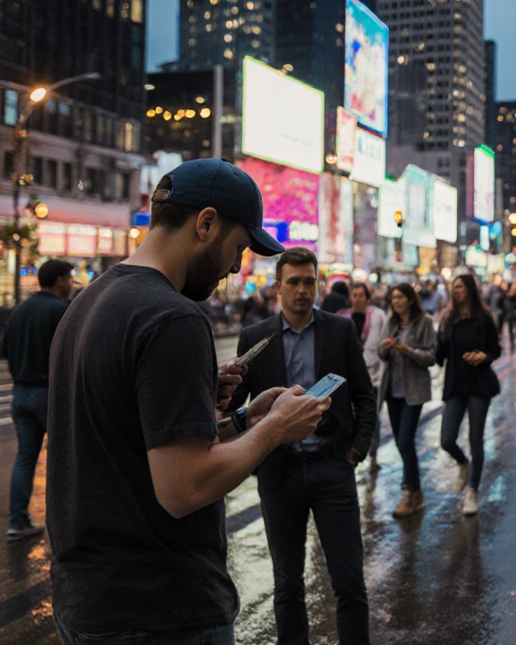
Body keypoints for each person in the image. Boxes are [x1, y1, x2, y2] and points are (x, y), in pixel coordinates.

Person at [46, 159, 329, 645]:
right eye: (238, 247)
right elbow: (183, 488)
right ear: (206, 223)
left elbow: (129, 439)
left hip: (87, 600)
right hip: (160, 609)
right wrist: (276, 428)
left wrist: (241, 417)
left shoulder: (88, 302)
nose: (236, 266)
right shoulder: (172, 317)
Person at [227, 247, 376, 645]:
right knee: (287, 584)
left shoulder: (339, 331)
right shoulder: (255, 337)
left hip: (332, 467)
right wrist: (256, 459)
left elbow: (364, 394)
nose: (302, 290)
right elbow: (235, 408)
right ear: (277, 287)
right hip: (281, 473)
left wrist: (356, 450)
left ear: (318, 284)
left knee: (349, 582)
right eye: (293, 282)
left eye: (309, 281)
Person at [3, 259, 73, 542]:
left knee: (25, 458)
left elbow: (5, 350)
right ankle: (66, 527)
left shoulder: (19, 311)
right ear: (58, 281)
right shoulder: (60, 311)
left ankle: (17, 523)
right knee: (65, 459)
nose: (71, 284)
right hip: (50, 393)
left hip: (21, 393)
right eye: (69, 278)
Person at [436, 274, 502, 516]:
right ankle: (463, 464)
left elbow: (495, 349)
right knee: (447, 439)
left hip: (478, 383)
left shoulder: (484, 319)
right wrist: (441, 331)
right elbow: (439, 357)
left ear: (471, 290)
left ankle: (473, 490)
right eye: (454, 287)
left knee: (476, 439)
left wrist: (483, 356)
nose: (456, 291)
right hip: (455, 383)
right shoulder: (449, 318)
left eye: (460, 286)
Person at [377, 283, 436, 517]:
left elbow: (431, 357)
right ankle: (416, 491)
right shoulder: (391, 324)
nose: (396, 301)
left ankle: (408, 492)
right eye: (393, 298)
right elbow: (380, 354)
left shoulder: (425, 322)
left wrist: (408, 351)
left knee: (404, 442)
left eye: (400, 297)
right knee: (403, 442)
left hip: (413, 392)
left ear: (410, 299)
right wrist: (387, 346)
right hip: (393, 391)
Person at [338, 282, 388, 472]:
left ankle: (372, 454)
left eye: (361, 295)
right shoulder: (342, 317)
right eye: (355, 294)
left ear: (368, 299)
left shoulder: (378, 317)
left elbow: (382, 345)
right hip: (347, 375)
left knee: (371, 416)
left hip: (372, 374)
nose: (357, 298)